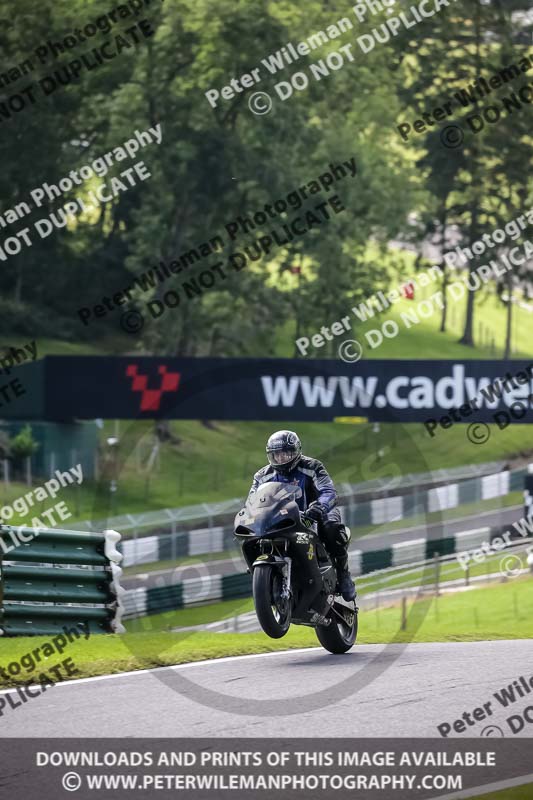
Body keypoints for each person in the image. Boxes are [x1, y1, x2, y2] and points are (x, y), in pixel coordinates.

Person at [247, 429, 356, 601]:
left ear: (296, 451)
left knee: (332, 529)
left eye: (286, 453)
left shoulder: (312, 466)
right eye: (276, 455)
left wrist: (320, 506)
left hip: (315, 513)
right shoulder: (261, 476)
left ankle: (343, 573)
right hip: (281, 518)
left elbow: (328, 491)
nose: (281, 458)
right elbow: (252, 501)